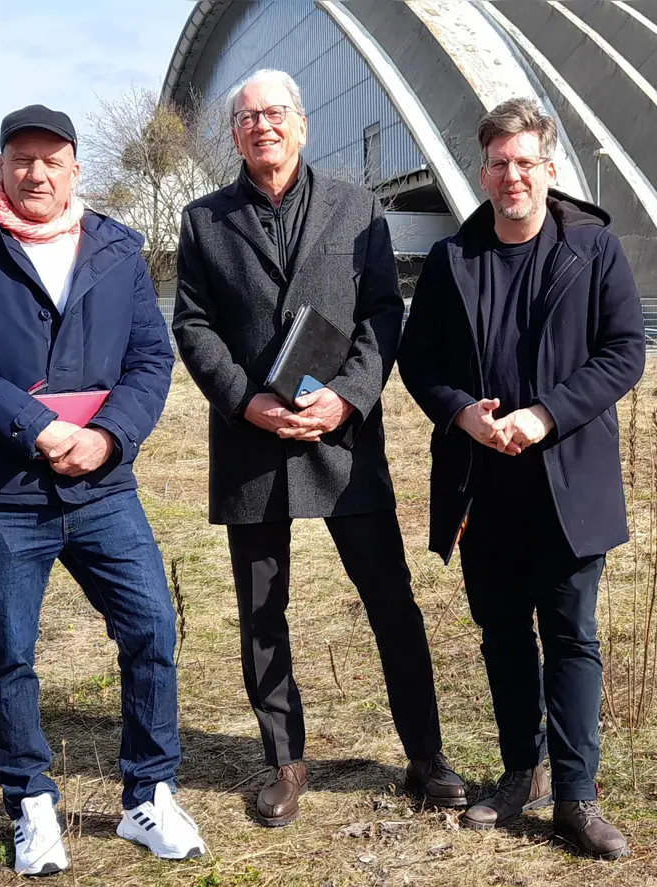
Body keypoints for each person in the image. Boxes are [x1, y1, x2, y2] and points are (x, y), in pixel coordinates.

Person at [0, 105, 205, 876]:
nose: (35, 173)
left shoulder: (116, 250)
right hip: (5, 492)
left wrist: (107, 437)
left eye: (51, 159)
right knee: (11, 649)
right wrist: (37, 427)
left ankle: (149, 794)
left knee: (151, 630)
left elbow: (150, 361)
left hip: (104, 487)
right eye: (21, 159)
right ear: (0, 167)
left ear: (75, 168)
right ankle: (31, 803)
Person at [173, 69, 462, 827]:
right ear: (233, 134)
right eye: (247, 117)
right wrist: (246, 401)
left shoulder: (356, 208)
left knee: (390, 600)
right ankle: (284, 760)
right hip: (252, 444)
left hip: (343, 442)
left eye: (275, 113)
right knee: (262, 612)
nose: (262, 126)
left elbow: (382, 313)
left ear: (302, 124)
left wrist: (349, 396)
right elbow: (193, 325)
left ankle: (426, 755)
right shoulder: (204, 221)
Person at [399, 98, 646, 860]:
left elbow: (624, 352)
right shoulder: (453, 260)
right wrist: (461, 414)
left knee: (571, 637)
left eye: (525, 163)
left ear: (549, 169)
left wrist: (545, 416)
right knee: (503, 633)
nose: (513, 176)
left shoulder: (593, 251)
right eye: (499, 164)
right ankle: (520, 772)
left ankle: (576, 796)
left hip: (567, 483)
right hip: (484, 485)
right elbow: (419, 360)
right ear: (483, 173)